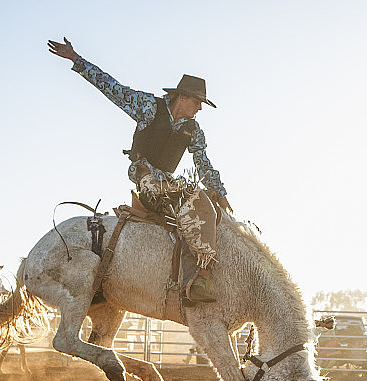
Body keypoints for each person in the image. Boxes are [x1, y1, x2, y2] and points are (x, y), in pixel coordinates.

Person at [48, 37, 230, 304]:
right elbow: (111, 88)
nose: (200, 108)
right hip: (145, 177)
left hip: (169, 184)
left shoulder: (194, 130)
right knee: (161, 182)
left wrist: (220, 192)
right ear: (183, 97)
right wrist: (76, 59)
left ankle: (201, 276)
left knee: (203, 205)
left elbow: (203, 163)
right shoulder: (148, 107)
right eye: (198, 102)